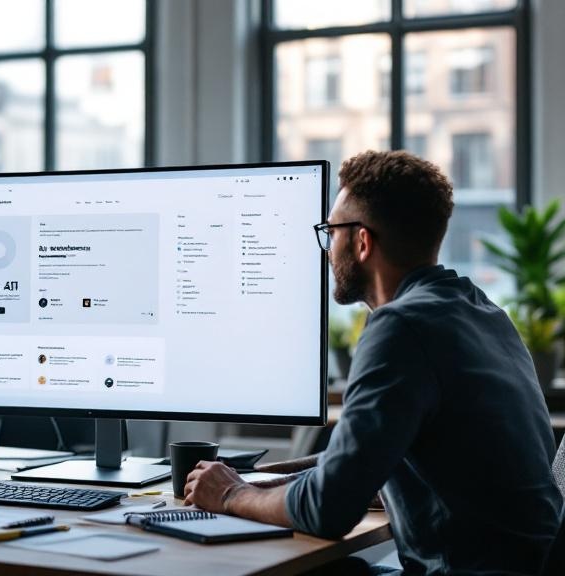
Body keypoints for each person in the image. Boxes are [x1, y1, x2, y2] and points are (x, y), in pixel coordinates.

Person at [185, 150, 563, 574]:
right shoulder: (482, 312)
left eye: (331, 232)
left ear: (362, 241)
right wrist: (267, 479)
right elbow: (365, 458)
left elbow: (328, 509)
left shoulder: (400, 327)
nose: (328, 250)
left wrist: (230, 496)